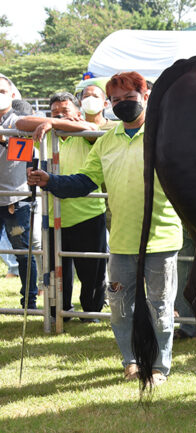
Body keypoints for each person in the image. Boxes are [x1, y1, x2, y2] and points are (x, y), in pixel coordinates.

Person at [27, 72, 182, 385]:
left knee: (161, 309)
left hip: (161, 239)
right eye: (116, 100)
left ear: (146, 96)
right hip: (122, 242)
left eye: (129, 98)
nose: (122, 104)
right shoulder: (105, 140)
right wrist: (51, 181)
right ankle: (131, 362)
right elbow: (84, 182)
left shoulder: (165, 134)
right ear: (109, 104)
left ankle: (159, 368)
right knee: (120, 309)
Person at [16, 91, 109, 322]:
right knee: (56, 270)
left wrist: (55, 122)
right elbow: (20, 123)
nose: (60, 116)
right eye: (54, 112)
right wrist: (53, 122)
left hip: (87, 214)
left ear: (77, 111)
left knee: (91, 272)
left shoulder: (85, 131)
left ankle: (91, 313)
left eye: (66, 111)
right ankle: (60, 312)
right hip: (52, 215)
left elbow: (90, 129)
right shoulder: (46, 131)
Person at [0, 75, 39, 309]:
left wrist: (5, 137)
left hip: (15, 198)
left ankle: (29, 301)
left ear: (13, 95)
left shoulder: (20, 121)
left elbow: (22, 155)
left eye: (2, 90)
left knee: (22, 252)